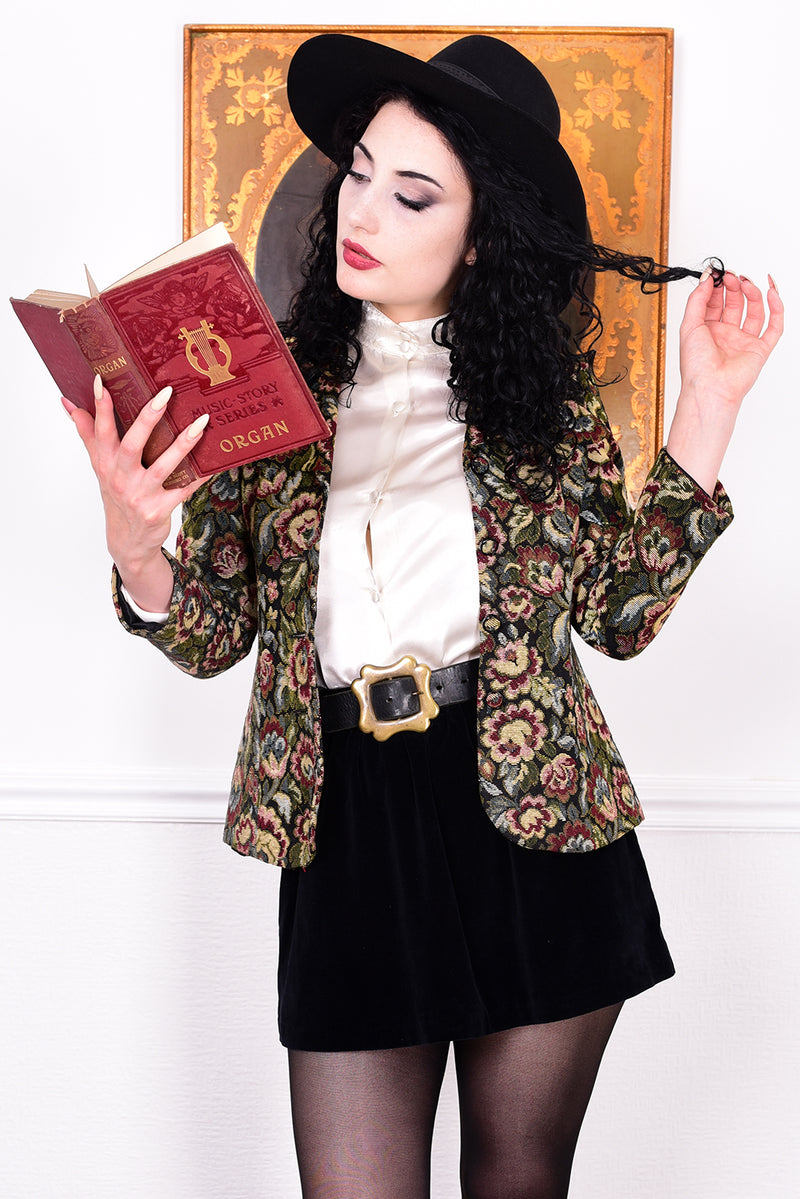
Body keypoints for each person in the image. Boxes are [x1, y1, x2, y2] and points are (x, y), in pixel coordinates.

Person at [63, 34, 782, 1199]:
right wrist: (135, 538)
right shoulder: (266, 395)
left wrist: (707, 404)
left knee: (516, 1178)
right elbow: (204, 638)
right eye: (358, 173)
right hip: (345, 826)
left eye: (412, 193)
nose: (364, 211)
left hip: (536, 823)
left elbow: (617, 616)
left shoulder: (542, 419)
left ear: (478, 230)